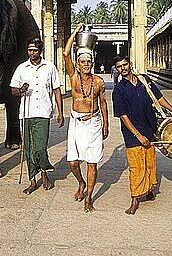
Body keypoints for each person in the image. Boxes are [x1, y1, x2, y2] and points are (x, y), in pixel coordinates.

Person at [111, 55, 172, 214]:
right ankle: (134, 199)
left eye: (125, 64)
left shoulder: (144, 80)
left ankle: (149, 189)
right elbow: (123, 116)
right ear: (116, 69)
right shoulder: (119, 90)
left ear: (130, 64)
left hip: (149, 127)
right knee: (136, 165)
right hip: (132, 133)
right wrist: (138, 135)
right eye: (119, 66)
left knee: (149, 162)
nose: (123, 68)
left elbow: (159, 98)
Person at [63, 23, 109, 212]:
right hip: (76, 122)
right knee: (72, 162)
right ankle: (81, 183)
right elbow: (66, 54)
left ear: (92, 63)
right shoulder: (74, 78)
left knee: (92, 162)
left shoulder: (98, 81)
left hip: (93, 122)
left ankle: (89, 197)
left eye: (89, 62)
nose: (86, 65)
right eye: (83, 62)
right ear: (78, 64)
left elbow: (104, 104)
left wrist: (106, 124)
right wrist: (75, 31)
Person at [10, 37, 64, 194]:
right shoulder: (22, 68)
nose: (31, 53)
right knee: (28, 149)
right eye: (29, 50)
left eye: (34, 50)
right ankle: (33, 180)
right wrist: (21, 90)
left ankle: (44, 172)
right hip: (26, 114)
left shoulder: (50, 67)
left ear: (41, 51)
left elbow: (56, 90)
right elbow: (13, 89)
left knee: (40, 148)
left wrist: (60, 112)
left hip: (43, 113)